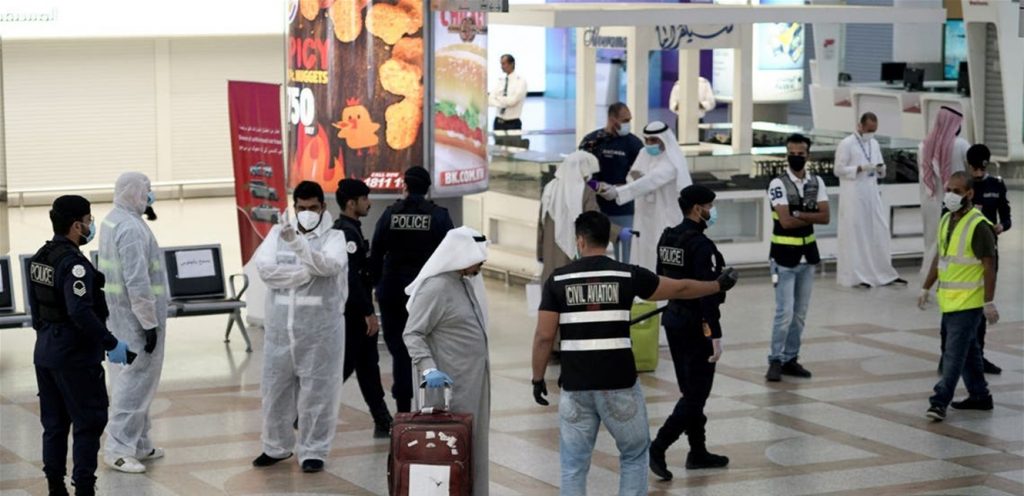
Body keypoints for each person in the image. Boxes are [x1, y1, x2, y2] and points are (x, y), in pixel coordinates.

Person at [531, 211, 738, 496]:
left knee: (573, 465)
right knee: (633, 455)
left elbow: (544, 336)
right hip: (619, 384)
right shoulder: (627, 274)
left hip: (576, 385)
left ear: (580, 241)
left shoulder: (558, 280)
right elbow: (680, 287)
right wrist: (717, 284)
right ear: (608, 240)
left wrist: (537, 378)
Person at [30, 195, 132, 496]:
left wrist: (47, 337)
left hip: (45, 351)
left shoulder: (41, 257)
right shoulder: (74, 265)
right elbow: (80, 311)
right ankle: (84, 487)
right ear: (77, 226)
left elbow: (37, 309)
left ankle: (55, 485)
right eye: (88, 221)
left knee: (55, 423)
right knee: (89, 421)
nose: (90, 226)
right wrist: (110, 342)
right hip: (74, 357)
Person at [252, 181, 348, 473]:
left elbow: (329, 266)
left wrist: (298, 245)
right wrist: (303, 274)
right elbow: (265, 269)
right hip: (280, 330)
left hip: (320, 332)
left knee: (319, 392)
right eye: (302, 208)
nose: (307, 213)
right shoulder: (277, 234)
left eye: (313, 208)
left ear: (323, 207)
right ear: (294, 208)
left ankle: (313, 451)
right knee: (275, 390)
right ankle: (276, 446)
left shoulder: (335, 237)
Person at [649, 185, 730, 481]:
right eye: (710, 205)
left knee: (690, 390)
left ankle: (698, 451)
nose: (713, 211)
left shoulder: (667, 237)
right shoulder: (701, 245)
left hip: (673, 319)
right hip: (696, 324)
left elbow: (661, 279)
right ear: (698, 209)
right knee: (696, 394)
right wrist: (715, 334)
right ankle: (658, 446)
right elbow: (708, 294)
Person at [403, 227, 491, 496]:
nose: (482, 263)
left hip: (473, 384)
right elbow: (413, 333)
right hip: (450, 389)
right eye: (478, 257)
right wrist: (428, 368)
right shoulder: (437, 287)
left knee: (472, 447)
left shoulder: (463, 283)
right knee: (448, 451)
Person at [98, 173, 168, 474]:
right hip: (135, 320)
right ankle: (118, 450)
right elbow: (137, 280)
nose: (150, 195)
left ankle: (139, 443)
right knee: (133, 384)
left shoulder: (114, 219)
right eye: (147, 190)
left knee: (130, 382)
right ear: (135, 191)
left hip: (118, 316)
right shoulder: (130, 228)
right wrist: (148, 323)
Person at [370, 166, 454, 412]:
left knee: (400, 350)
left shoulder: (390, 214)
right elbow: (450, 255)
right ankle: (432, 405)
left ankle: (403, 409)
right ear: (428, 189)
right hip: (425, 292)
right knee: (428, 348)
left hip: (393, 290)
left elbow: (376, 252)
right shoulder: (438, 216)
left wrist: (377, 285)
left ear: (405, 186)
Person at [918, 171, 999, 422]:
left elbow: (989, 265)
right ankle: (980, 396)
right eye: (949, 190)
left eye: (957, 191)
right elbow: (941, 257)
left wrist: (988, 301)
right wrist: (926, 287)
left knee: (952, 354)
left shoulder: (979, 225)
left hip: (969, 302)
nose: (951, 195)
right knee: (968, 350)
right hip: (949, 300)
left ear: (969, 194)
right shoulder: (946, 219)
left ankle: (939, 402)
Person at [765, 134, 830, 382]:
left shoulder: (816, 182)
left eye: (800, 153)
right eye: (791, 153)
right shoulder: (778, 184)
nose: (796, 157)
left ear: (807, 155)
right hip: (782, 259)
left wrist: (799, 214)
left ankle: (790, 359)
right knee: (784, 313)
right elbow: (785, 221)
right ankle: (775, 359)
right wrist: (808, 215)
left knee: (800, 314)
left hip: (808, 257)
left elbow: (825, 217)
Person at [333, 179, 392, 437]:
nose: (369, 203)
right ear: (351, 203)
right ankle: (304, 414)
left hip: (357, 310)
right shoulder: (346, 233)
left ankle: (383, 420)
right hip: (354, 313)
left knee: (367, 366)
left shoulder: (350, 229)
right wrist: (368, 312)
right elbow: (351, 278)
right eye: (365, 198)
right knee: (344, 367)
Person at [598, 121, 692, 272]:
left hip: (665, 217)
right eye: (647, 140)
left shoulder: (672, 159)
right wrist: (634, 179)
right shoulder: (644, 153)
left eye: (653, 140)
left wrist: (618, 192)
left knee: (662, 255)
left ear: (664, 139)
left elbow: (652, 180)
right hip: (643, 215)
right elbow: (632, 176)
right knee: (643, 254)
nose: (649, 144)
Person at [834, 113, 906, 288]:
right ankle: (856, 276)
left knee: (878, 230)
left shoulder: (874, 143)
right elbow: (838, 170)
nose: (870, 133)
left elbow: (879, 166)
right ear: (859, 126)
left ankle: (882, 272)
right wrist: (859, 168)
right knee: (856, 233)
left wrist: (880, 169)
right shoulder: (847, 144)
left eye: (874, 130)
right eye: (868, 130)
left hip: (872, 193)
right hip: (854, 195)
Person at [537, 151, 627, 282]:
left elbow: (541, 224)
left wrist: (540, 252)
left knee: (552, 283)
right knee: (571, 285)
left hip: (549, 249)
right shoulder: (584, 191)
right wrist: (618, 232)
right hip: (574, 249)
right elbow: (595, 220)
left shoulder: (550, 187)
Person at [962, 144, 1009, 375]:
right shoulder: (962, 186)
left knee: (983, 305)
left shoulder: (996, 185)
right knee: (962, 308)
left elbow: (1006, 216)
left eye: (982, 169)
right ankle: (954, 354)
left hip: (988, 251)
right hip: (965, 255)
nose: (978, 173)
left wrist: (1002, 226)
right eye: (975, 169)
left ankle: (978, 355)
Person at [579, 102, 643, 263]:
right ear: (612, 119)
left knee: (625, 254)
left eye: (629, 120)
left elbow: (641, 175)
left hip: (623, 209)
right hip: (595, 207)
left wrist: (623, 188)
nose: (628, 123)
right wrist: (597, 187)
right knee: (591, 253)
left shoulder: (633, 144)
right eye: (624, 120)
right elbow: (580, 173)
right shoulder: (592, 141)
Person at [919, 106, 971, 278]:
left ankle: (928, 275)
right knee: (953, 238)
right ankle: (947, 274)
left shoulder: (923, 146)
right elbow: (971, 171)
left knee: (931, 239)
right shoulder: (961, 145)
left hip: (930, 200)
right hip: (955, 200)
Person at [488, 53, 527, 139]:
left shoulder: (520, 81)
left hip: (512, 124)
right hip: (498, 123)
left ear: (511, 64)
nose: (501, 66)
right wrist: (504, 101)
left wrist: (498, 99)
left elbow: (512, 101)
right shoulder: (501, 81)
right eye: (501, 64)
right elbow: (490, 100)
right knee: (498, 147)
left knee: (512, 147)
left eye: (503, 64)